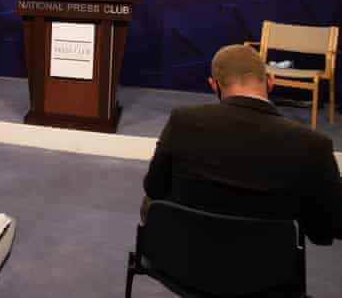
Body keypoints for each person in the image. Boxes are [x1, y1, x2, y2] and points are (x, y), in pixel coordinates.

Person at [142, 44, 342, 245]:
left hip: (184, 264)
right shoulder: (315, 146)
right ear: (270, 81)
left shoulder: (182, 122)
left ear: (213, 85)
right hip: (267, 270)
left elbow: (154, 187)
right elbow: (325, 230)